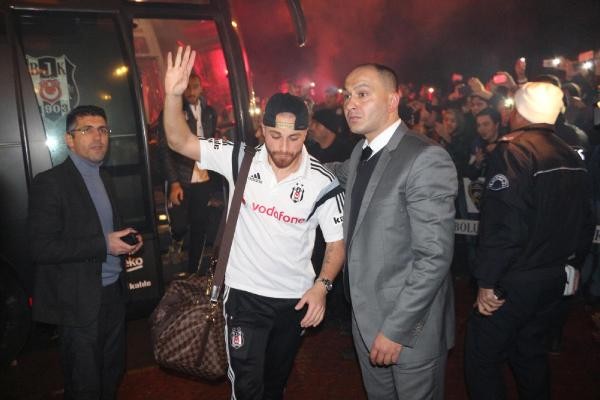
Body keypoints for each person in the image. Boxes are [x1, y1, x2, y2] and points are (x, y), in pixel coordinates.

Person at [163, 46, 345, 400]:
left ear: (306, 133)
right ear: (262, 129)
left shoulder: (323, 182)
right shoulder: (239, 159)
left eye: (294, 138)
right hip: (243, 296)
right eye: (275, 135)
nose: (284, 147)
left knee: (275, 384)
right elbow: (178, 140)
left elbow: (337, 244)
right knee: (247, 386)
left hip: (294, 300)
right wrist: (173, 95)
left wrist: (321, 287)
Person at [329, 63, 457, 399]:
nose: (350, 104)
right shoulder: (362, 151)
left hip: (408, 330)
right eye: (347, 96)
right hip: (365, 321)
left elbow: (434, 258)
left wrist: (396, 330)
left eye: (362, 94)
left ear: (392, 100)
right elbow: (334, 173)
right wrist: (283, 158)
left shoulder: (425, 158)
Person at [464, 82, 595, 399]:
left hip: (516, 279)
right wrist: (571, 266)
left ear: (519, 113)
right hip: (553, 278)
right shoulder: (571, 153)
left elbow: (504, 223)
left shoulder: (514, 151)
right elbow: (586, 220)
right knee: (529, 353)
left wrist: (487, 281)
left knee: (481, 359)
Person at [28, 105, 143, 399]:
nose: (97, 136)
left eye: (103, 129)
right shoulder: (50, 182)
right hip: (79, 302)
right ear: (69, 139)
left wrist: (126, 239)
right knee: (85, 383)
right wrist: (104, 244)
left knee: (112, 373)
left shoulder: (104, 177)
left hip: (113, 294)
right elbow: (41, 247)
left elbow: (103, 229)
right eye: (87, 130)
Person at [157, 72, 219, 272]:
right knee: (179, 225)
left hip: (203, 176)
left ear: (201, 88)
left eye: (195, 87)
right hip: (181, 175)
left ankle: (194, 270)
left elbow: (211, 139)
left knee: (200, 225)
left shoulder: (210, 112)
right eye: (188, 87)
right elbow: (164, 149)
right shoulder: (171, 112)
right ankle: (176, 243)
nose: (191, 91)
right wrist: (174, 182)